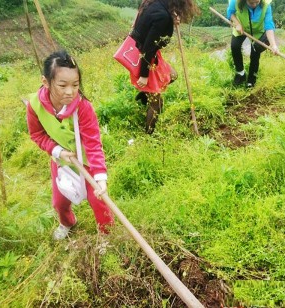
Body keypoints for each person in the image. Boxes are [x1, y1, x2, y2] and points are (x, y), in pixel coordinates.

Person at [26, 51, 114, 240]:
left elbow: (93, 143)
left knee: (99, 201)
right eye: (62, 85)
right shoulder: (34, 105)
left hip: (87, 162)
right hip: (61, 161)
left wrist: (100, 178)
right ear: (45, 81)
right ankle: (67, 223)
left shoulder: (83, 107)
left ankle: (107, 236)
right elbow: (37, 134)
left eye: (75, 85)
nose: (70, 91)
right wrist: (57, 151)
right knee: (59, 202)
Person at [130, 0, 199, 134]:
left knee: (172, 75)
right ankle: (148, 135)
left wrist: (172, 18)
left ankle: (145, 95)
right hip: (145, 57)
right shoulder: (162, 16)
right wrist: (144, 76)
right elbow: (148, 48)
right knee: (156, 104)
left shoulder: (155, 3)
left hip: (148, 53)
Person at [227, 0, 279, 88]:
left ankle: (251, 80)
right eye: (251, 3)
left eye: (257, 2)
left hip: (257, 31)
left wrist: (273, 45)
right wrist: (237, 23)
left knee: (255, 52)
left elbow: (269, 26)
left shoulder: (266, 5)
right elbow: (230, 12)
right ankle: (240, 74)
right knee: (234, 46)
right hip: (241, 27)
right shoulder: (235, 1)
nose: (254, 5)